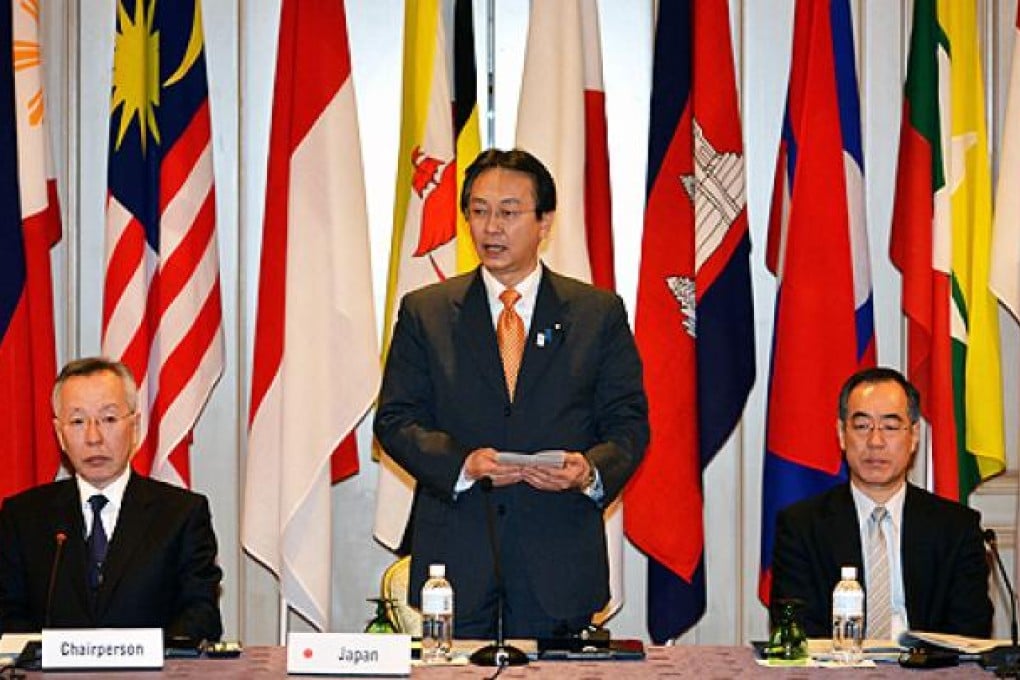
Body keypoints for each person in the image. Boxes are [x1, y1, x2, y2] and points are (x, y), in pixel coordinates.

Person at [374, 148, 649, 639]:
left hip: (557, 560)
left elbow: (628, 425)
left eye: (508, 212)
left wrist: (589, 470)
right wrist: (462, 464)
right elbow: (395, 420)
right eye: (478, 211)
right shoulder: (427, 312)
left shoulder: (596, 313)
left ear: (545, 222)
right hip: (456, 562)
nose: (491, 227)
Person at [0, 357, 223, 642]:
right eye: (78, 421)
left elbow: (201, 615)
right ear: (60, 434)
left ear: (134, 426)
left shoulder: (182, 514)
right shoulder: (23, 517)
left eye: (108, 419)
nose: (94, 437)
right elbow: (8, 614)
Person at [770, 366, 992, 640]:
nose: (875, 442)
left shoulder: (957, 527)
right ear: (841, 433)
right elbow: (798, 629)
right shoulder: (801, 525)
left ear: (913, 436)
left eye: (890, 426)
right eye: (862, 426)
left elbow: (970, 630)